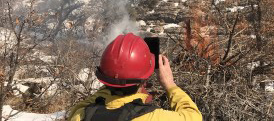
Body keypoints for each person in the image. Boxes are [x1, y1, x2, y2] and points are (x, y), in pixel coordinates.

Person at [68, 33, 202, 121]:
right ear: (143, 80)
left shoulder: (81, 115)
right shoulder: (151, 117)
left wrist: (114, 76)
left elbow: (89, 102)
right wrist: (170, 84)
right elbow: (193, 117)